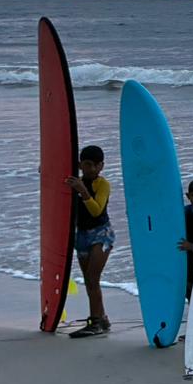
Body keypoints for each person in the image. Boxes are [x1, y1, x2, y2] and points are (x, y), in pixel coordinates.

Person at [64, 145, 115, 338]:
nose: (92, 169)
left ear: (102, 166)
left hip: (101, 234)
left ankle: (95, 323)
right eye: (87, 165)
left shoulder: (103, 184)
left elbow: (96, 210)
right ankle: (102, 318)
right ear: (80, 164)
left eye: (96, 165)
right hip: (82, 235)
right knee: (89, 282)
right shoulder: (74, 182)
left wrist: (83, 191)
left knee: (93, 279)